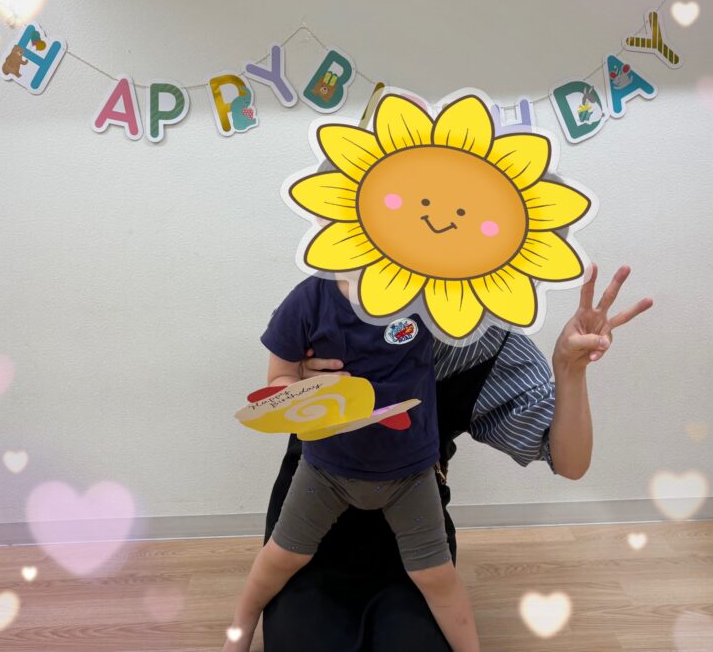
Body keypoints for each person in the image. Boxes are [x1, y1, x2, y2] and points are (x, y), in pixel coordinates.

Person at [259, 263, 653, 651]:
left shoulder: (487, 343)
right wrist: (299, 384)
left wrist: (569, 369)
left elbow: (570, 462)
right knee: (300, 641)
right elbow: (277, 382)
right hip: (310, 508)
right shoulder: (329, 296)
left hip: (414, 520)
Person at [224, 272, 483, 652]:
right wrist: (303, 389)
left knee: (435, 575)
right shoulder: (310, 299)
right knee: (281, 557)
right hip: (325, 470)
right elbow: (279, 378)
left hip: (410, 475)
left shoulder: (423, 293)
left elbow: (470, 295)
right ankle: (239, 629)